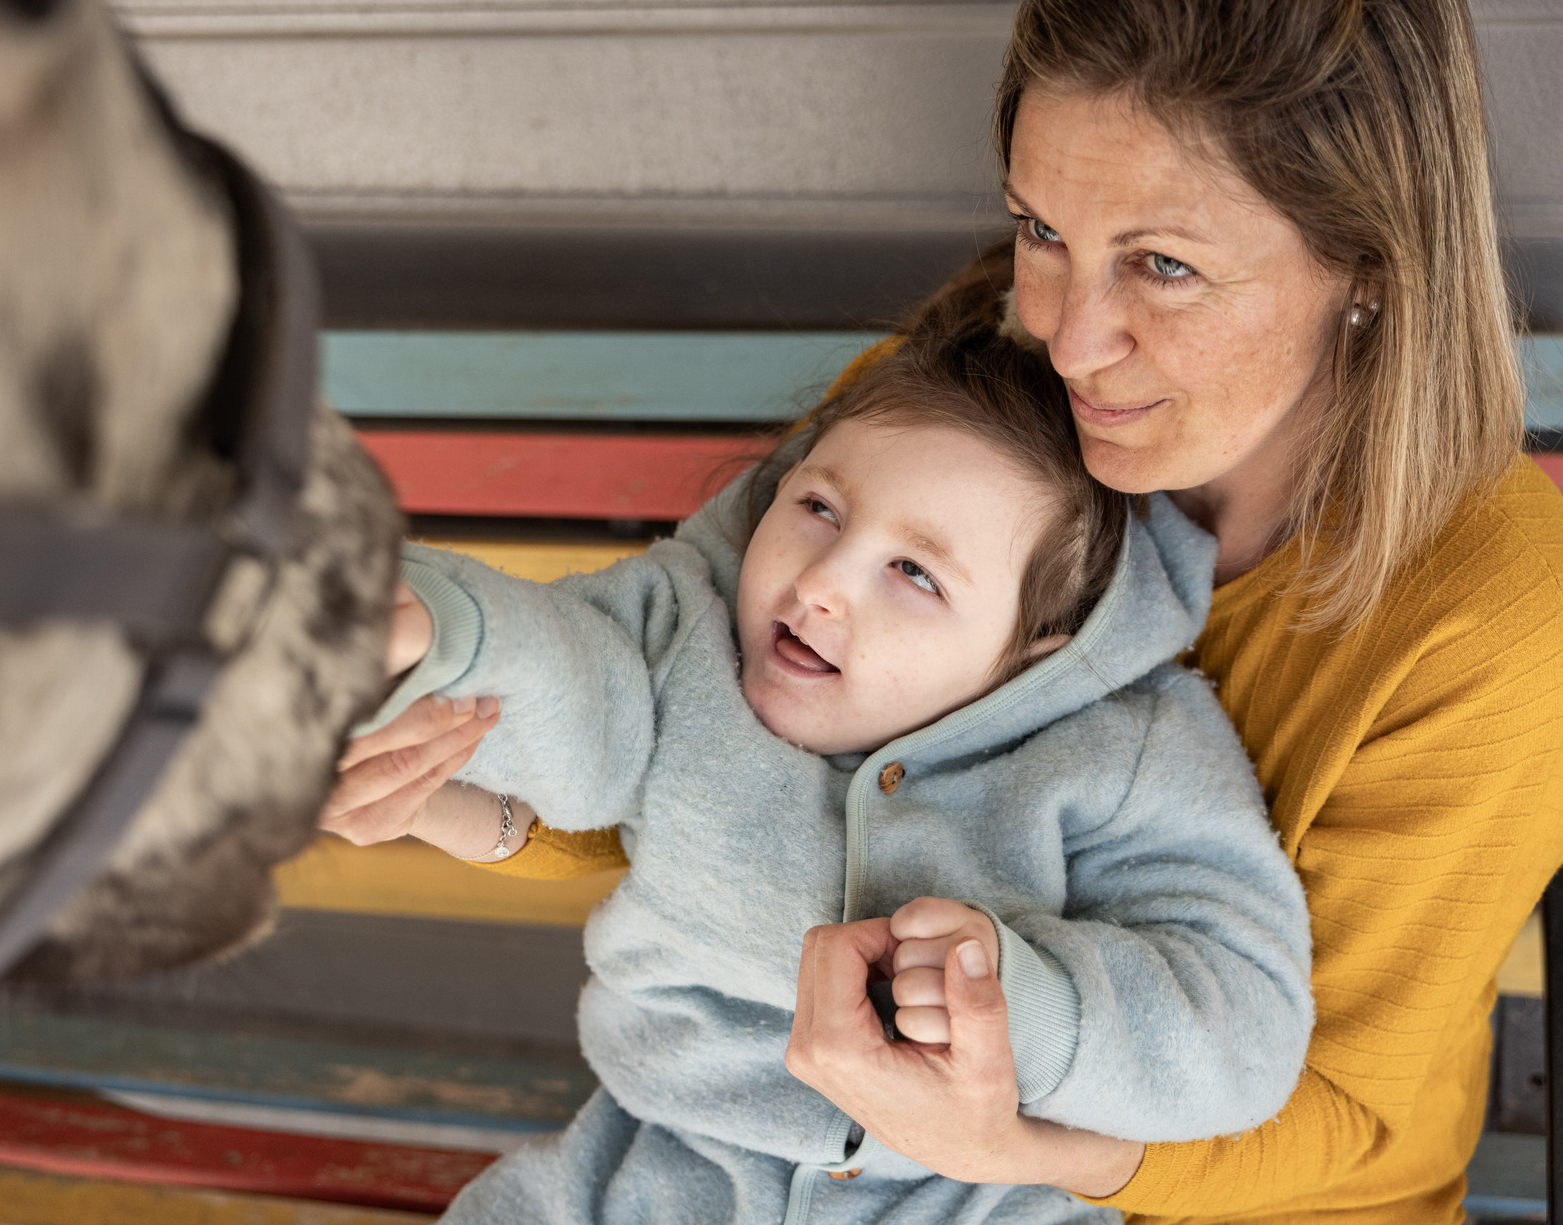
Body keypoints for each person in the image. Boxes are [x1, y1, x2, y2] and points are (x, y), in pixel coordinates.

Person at [325, 0, 1563, 1219]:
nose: (1070, 338)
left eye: (1163, 266)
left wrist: (1006, 1136)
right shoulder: (949, 413)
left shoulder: (1494, 611)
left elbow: (1338, 1111)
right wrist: (458, 799)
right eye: (1042, 231)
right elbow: (696, 732)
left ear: (1367, 260)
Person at [348, 313, 1314, 1225]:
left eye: (915, 574)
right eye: (818, 508)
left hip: (965, 1197)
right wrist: (442, 636)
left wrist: (1032, 1010)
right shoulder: (687, 629)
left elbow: (1242, 1018)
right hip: (668, 1165)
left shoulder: (1128, 749)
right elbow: (571, 684)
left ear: (1031, 655)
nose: (820, 584)